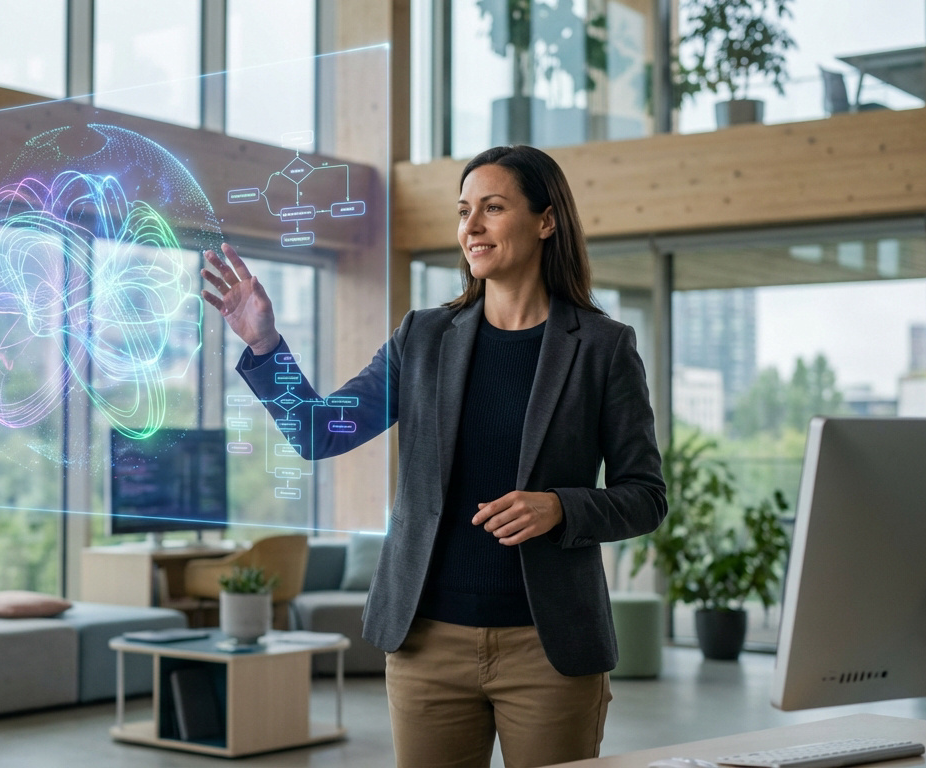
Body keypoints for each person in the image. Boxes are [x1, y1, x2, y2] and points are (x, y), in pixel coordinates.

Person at [200, 145, 666, 767]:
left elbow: (645, 495)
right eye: (463, 211)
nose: (471, 227)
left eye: (493, 208)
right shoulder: (421, 337)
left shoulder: (603, 347)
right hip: (427, 646)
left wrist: (561, 507)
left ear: (546, 220)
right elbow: (320, 432)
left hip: (548, 647)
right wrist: (264, 344)